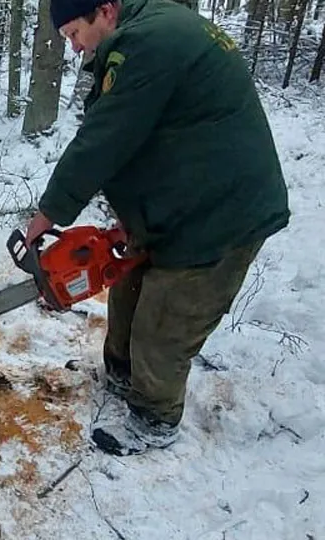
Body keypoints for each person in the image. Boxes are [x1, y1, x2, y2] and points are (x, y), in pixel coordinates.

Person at [25, 0, 290, 456]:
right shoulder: (144, 34)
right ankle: (122, 375)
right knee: (127, 290)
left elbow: (106, 137)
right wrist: (133, 214)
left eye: (73, 34)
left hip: (220, 215)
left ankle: (155, 417)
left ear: (105, 10)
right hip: (183, 198)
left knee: (165, 320)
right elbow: (150, 133)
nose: (74, 48)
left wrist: (49, 212)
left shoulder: (150, 42)